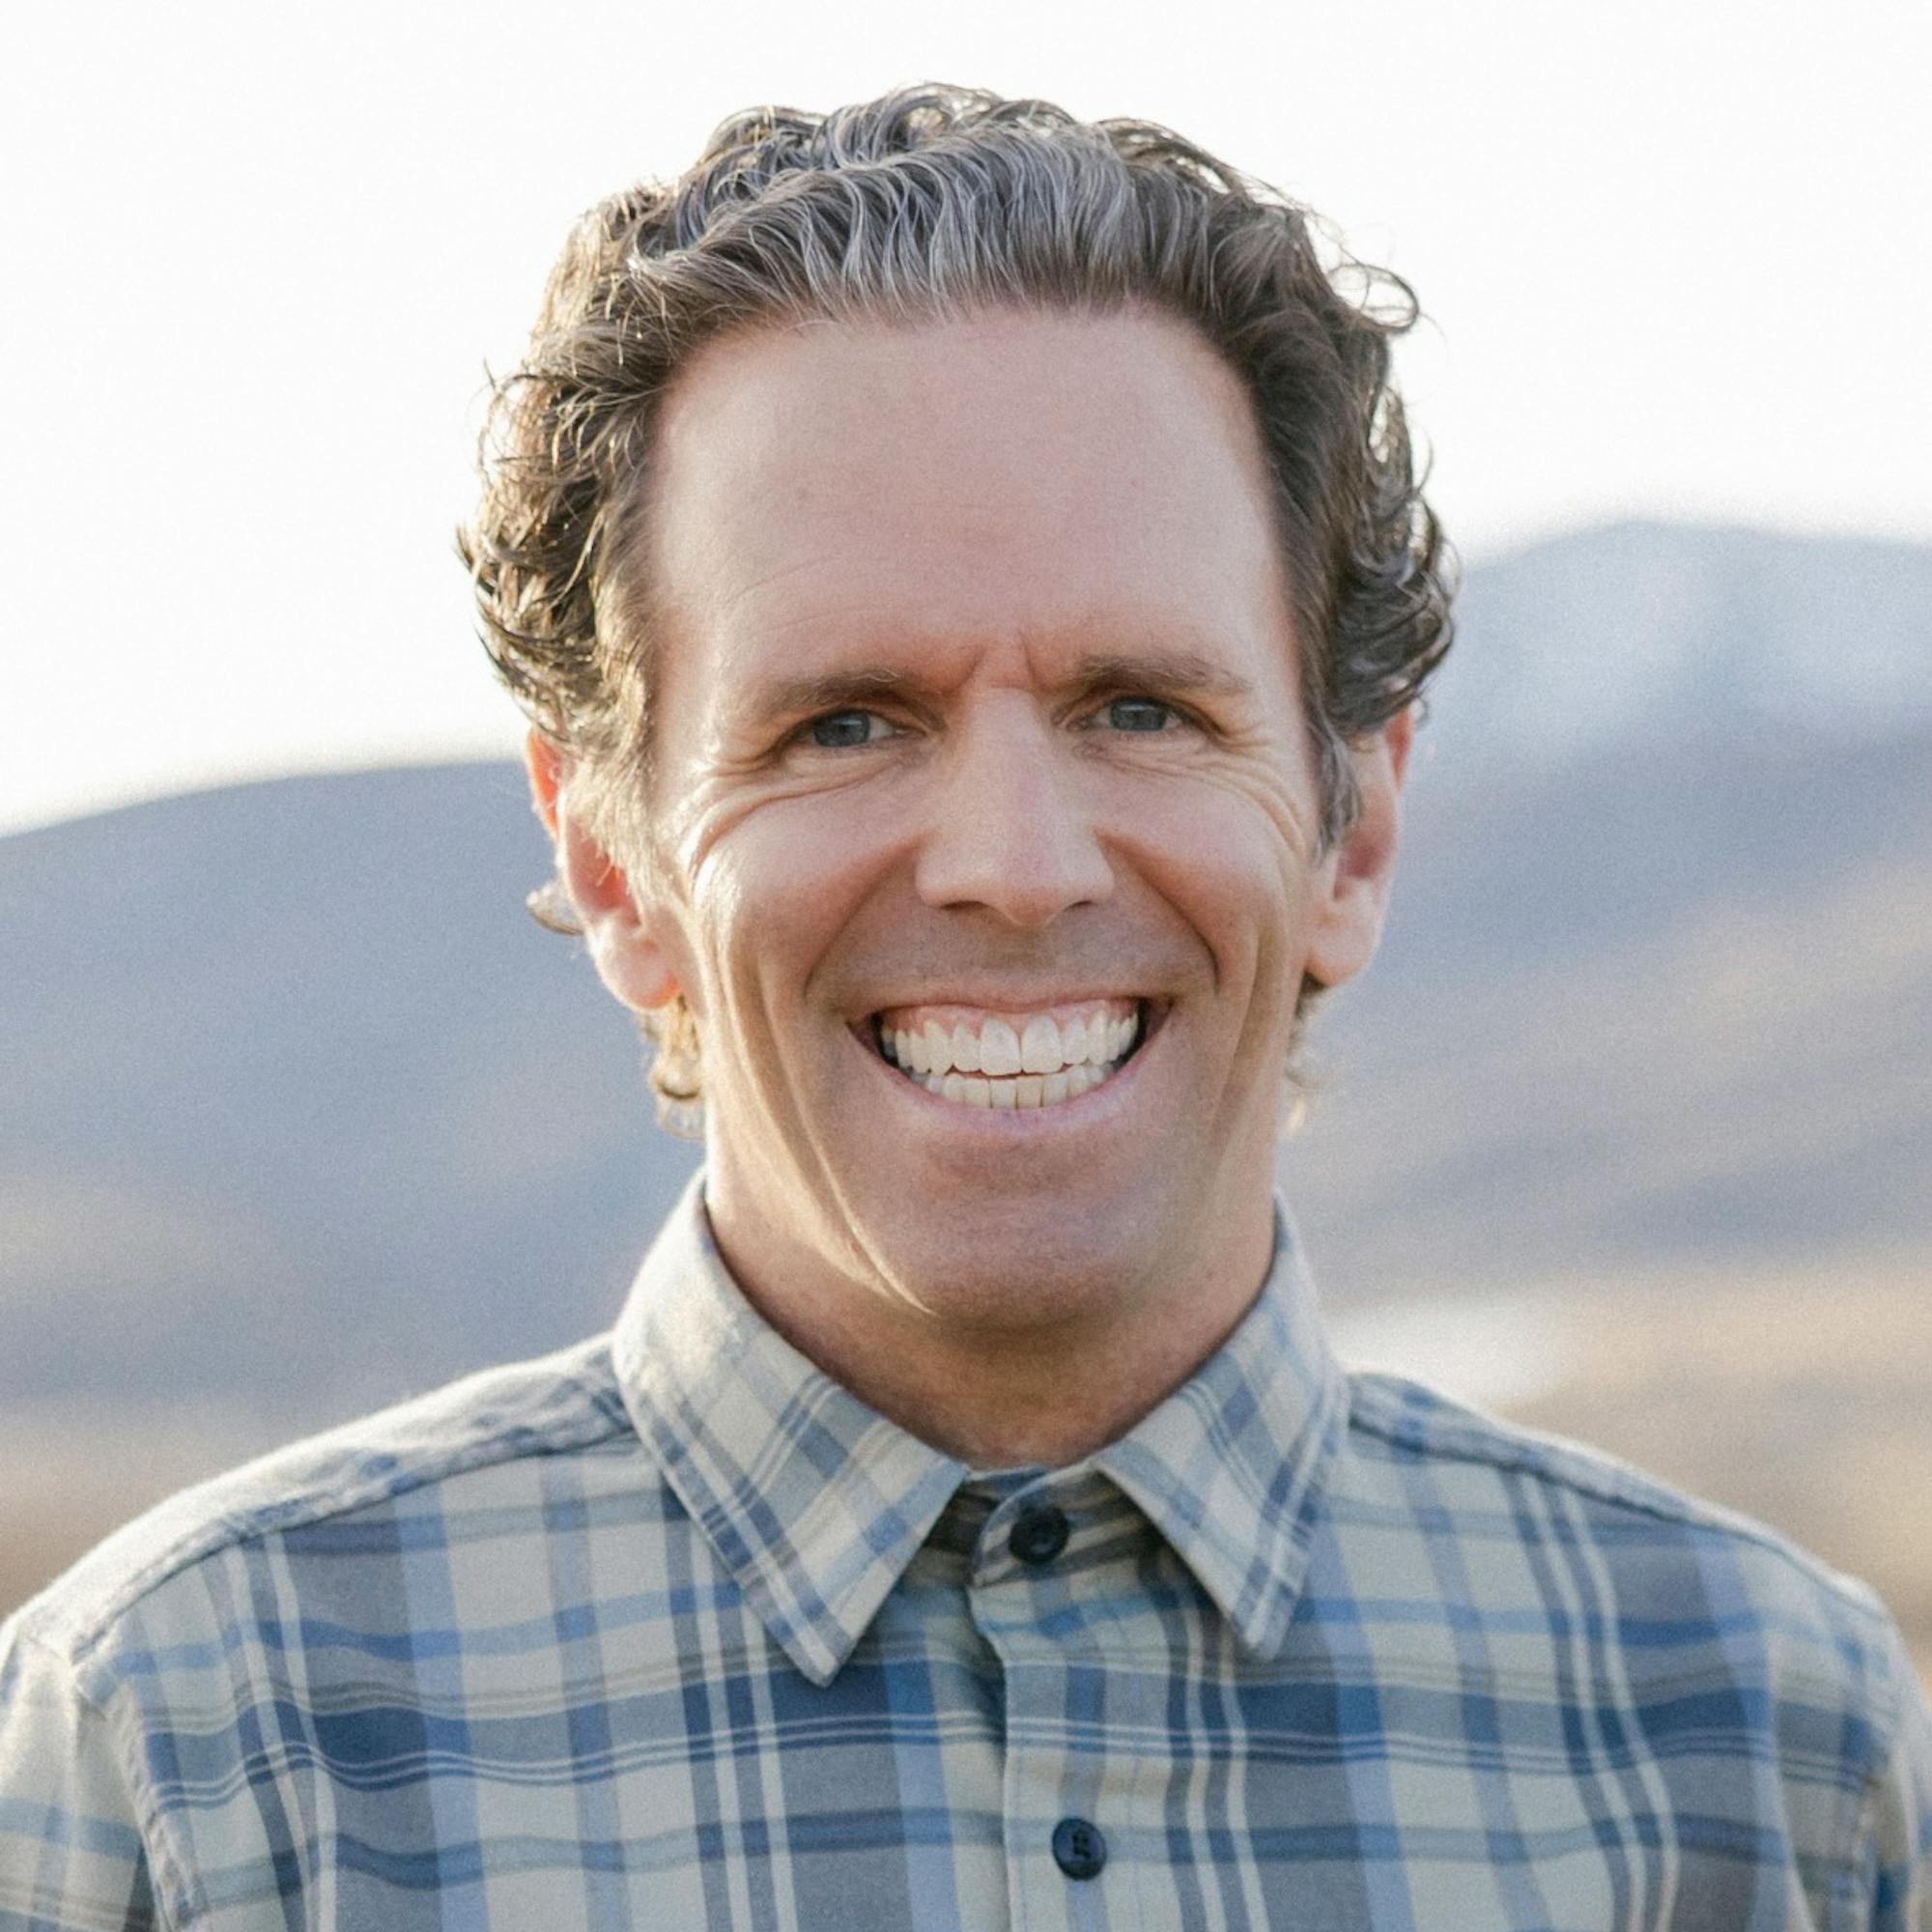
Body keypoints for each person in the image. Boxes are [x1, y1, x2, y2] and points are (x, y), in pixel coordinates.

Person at [1, 83, 1926, 1930]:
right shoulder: (191, 1753)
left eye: (1137, 707)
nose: (1014, 861)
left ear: (1354, 827)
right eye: (844, 720)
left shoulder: (1766, 1754)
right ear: (611, 859)